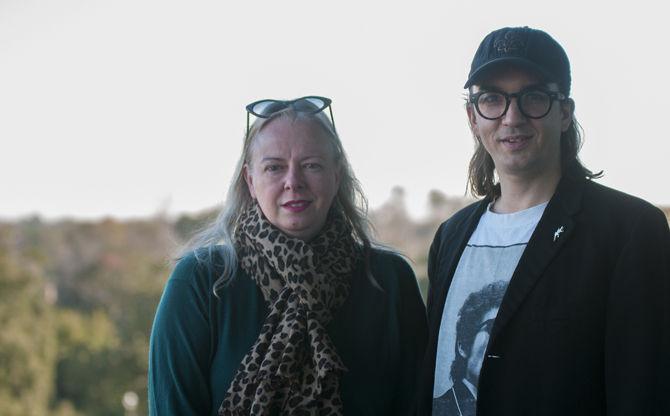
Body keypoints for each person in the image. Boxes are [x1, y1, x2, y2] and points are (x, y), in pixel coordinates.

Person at [417, 27, 670, 416]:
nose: (511, 117)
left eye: (533, 97)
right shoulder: (451, 236)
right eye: (492, 99)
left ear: (565, 113)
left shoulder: (630, 231)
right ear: (472, 116)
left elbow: (644, 395)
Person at [148, 96, 428, 415]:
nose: (293, 182)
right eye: (274, 167)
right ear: (250, 181)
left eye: (311, 165)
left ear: (336, 175)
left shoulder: (390, 281)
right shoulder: (201, 282)